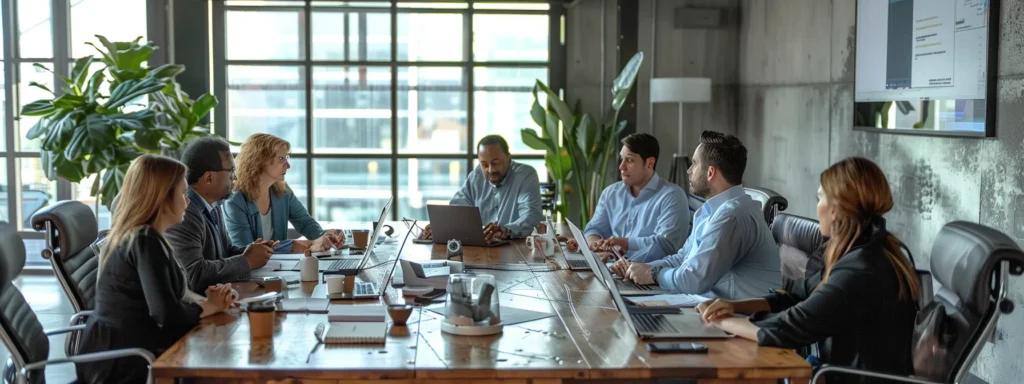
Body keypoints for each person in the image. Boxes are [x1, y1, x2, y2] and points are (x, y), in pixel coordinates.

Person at [695, 157, 920, 384]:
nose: (817, 205)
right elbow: (797, 294)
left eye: (819, 198)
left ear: (835, 210)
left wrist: (722, 321)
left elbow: (788, 328)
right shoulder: (868, 248)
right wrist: (733, 306)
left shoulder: (861, 270)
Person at [76, 155, 236, 384]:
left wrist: (206, 300)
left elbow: (171, 296)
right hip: (122, 360)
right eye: (183, 193)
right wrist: (209, 306)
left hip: (129, 346)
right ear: (162, 197)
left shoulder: (149, 236)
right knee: (218, 363)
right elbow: (167, 315)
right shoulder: (144, 241)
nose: (188, 201)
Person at [610, 131, 779, 300]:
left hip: (739, 313)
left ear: (710, 172)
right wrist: (640, 268)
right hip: (708, 304)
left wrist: (653, 274)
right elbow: (682, 258)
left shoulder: (731, 216)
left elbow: (694, 280)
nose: (689, 170)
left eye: (694, 164)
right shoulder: (710, 211)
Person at [165, 137, 279, 292]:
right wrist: (246, 261)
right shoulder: (184, 212)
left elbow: (223, 253)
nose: (235, 177)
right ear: (208, 178)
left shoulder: (214, 204)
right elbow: (193, 275)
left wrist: (252, 251)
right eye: (231, 170)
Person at [568, 133, 687, 263]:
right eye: (621, 159)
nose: (621, 166)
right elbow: (594, 228)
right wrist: (595, 244)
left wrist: (625, 243)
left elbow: (666, 245)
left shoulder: (672, 196)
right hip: (609, 267)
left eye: (629, 160)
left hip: (649, 273)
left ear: (649, 163)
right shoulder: (611, 193)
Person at [223, 133, 344, 253]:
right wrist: (303, 245)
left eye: (287, 158)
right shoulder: (235, 200)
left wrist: (325, 237)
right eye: (281, 159)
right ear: (260, 161)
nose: (288, 165)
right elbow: (244, 249)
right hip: (251, 266)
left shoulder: (283, 192)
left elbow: (305, 223)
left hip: (279, 264)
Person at [417, 135, 543, 243]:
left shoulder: (525, 175)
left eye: (495, 163)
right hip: (479, 249)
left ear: (508, 157)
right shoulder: (476, 176)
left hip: (516, 250)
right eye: (484, 164)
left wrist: (506, 230)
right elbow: (458, 210)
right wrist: (441, 227)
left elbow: (531, 216)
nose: (490, 170)